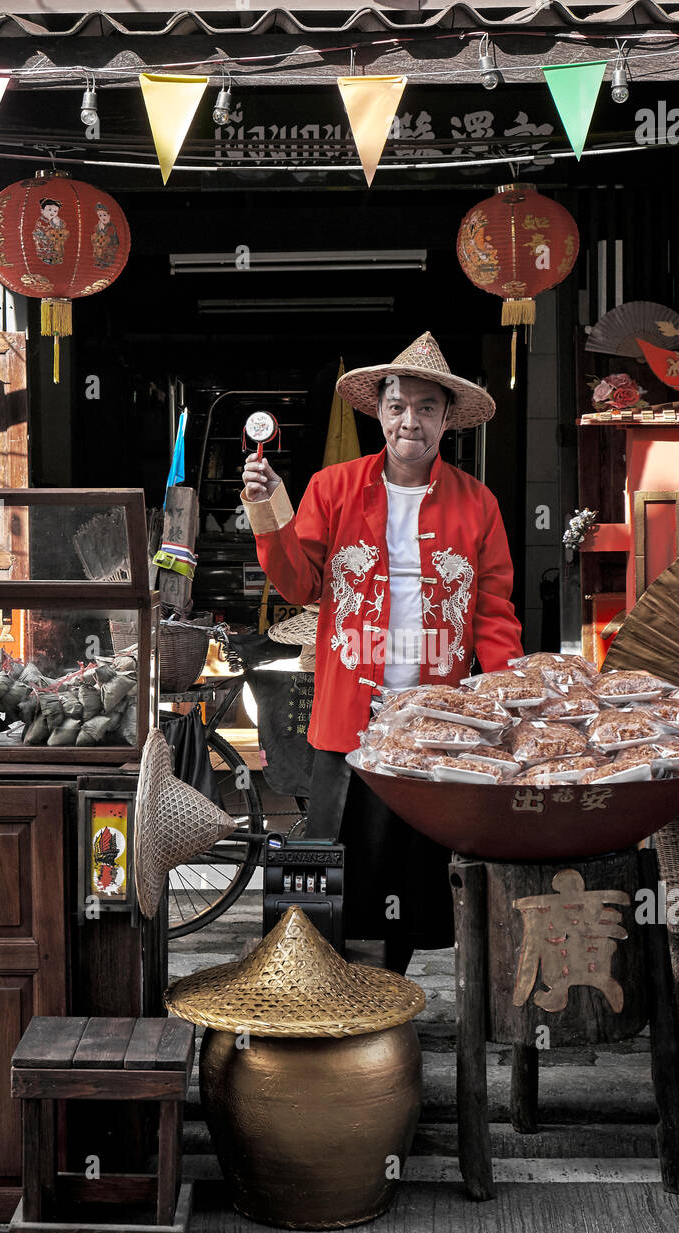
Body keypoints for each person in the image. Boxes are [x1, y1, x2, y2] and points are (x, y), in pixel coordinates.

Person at [241, 331, 522, 971]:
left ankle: (388, 995)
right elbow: (299, 583)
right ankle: (327, 990)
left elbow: (493, 613)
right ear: (380, 413)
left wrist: (508, 700)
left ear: (447, 418)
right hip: (348, 718)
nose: (410, 422)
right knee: (339, 862)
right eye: (398, 406)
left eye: (427, 408)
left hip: (432, 722)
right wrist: (265, 512)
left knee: (409, 869)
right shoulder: (333, 488)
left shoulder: (478, 504)